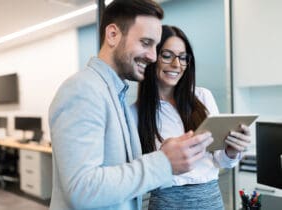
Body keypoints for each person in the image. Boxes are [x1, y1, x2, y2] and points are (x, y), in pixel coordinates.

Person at [48, 1, 213, 209]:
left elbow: (124, 180)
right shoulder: (82, 90)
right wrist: (163, 162)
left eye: (155, 46)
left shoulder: (116, 96)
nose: (153, 56)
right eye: (146, 43)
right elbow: (82, 189)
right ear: (113, 35)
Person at [132, 25, 251, 210]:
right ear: (153, 57)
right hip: (167, 203)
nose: (176, 65)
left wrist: (232, 151)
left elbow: (222, 161)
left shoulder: (202, 97)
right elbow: (137, 175)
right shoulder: (136, 113)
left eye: (182, 57)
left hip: (211, 200)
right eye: (167, 55)